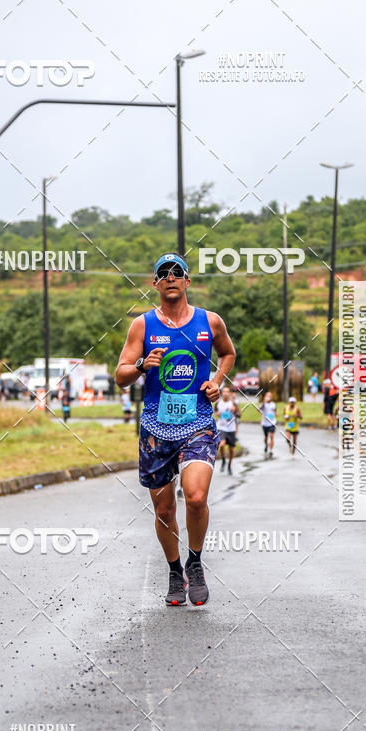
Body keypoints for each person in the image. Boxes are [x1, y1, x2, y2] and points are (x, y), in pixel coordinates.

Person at [115, 253, 235, 607]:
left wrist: (216, 382)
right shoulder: (142, 326)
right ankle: (173, 570)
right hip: (155, 428)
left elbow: (228, 354)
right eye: (163, 273)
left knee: (196, 497)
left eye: (176, 272)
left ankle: (195, 563)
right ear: (154, 283)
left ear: (187, 281)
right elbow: (120, 376)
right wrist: (140, 364)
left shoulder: (209, 322)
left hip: (198, 423)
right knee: (164, 510)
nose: (170, 278)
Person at [216, 386, 239, 474]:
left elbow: (239, 414)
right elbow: (215, 413)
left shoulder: (233, 403)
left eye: (227, 392)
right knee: (222, 444)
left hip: (231, 428)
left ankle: (229, 465)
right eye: (224, 392)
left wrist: (235, 410)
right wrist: (217, 413)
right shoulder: (219, 403)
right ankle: (223, 460)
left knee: (231, 449)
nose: (225, 393)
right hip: (221, 427)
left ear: (229, 393)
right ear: (222, 393)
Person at [260, 391, 277, 458]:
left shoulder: (273, 404)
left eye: (270, 396)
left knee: (271, 436)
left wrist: (276, 413)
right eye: (267, 396)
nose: (268, 397)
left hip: (272, 423)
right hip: (265, 423)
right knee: (266, 437)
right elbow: (260, 408)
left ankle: (270, 450)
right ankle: (266, 445)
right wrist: (264, 401)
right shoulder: (263, 404)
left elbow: (275, 411)